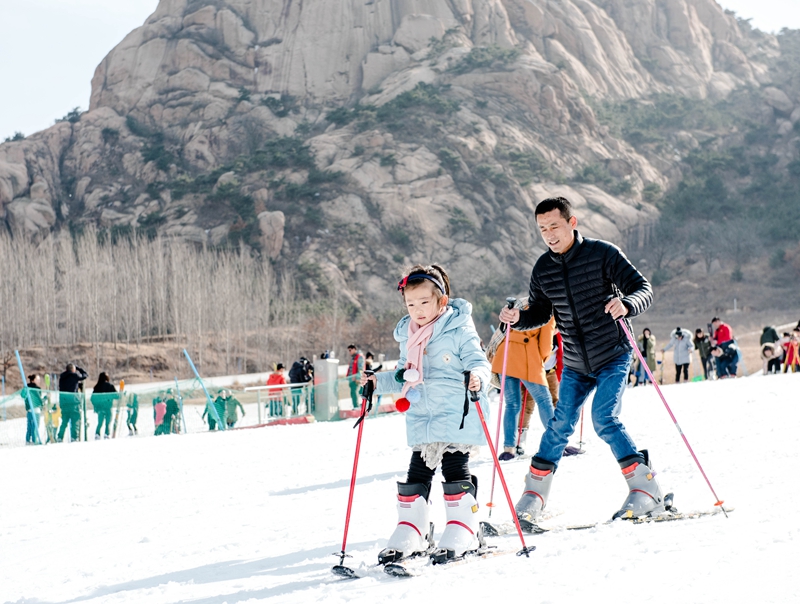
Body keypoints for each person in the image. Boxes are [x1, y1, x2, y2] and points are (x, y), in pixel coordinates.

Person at [499, 197, 665, 525]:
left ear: (572, 222)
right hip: (575, 362)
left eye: (555, 226)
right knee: (559, 425)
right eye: (543, 228)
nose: (549, 234)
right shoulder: (543, 269)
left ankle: (645, 490)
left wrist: (627, 305)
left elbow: (642, 287)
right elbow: (541, 312)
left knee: (604, 417)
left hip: (613, 353)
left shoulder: (603, 253)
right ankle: (533, 495)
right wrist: (519, 317)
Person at [361, 263, 491, 564]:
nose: (417, 310)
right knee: (418, 471)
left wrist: (478, 377)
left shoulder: (459, 328)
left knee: (454, 467)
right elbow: (405, 373)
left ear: (441, 301)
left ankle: (464, 528)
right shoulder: (408, 334)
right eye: (410, 303)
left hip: (457, 410)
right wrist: (376, 383)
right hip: (423, 413)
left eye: (424, 302)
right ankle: (412, 529)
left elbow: (479, 361)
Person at [488, 300, 555, 461]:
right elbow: (546, 344)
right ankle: (556, 442)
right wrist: (542, 360)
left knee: (512, 404)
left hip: (505, 355)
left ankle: (508, 448)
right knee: (544, 400)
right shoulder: (547, 309)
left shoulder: (519, 303)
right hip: (527, 357)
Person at [57, 363, 88, 442]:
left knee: (64, 422)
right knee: (75, 421)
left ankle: (60, 437)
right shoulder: (74, 376)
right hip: (74, 402)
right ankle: (74, 437)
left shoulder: (62, 378)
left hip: (64, 403)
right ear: (73, 370)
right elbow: (85, 375)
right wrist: (79, 369)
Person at [91, 372, 117, 440]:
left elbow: (92, 398)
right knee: (108, 422)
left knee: (100, 422)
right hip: (108, 407)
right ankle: (107, 434)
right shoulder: (110, 386)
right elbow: (116, 396)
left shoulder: (96, 387)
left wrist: (96, 406)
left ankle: (97, 434)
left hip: (100, 408)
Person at [25, 374, 43, 445]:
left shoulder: (26, 388)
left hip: (29, 411)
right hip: (36, 411)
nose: (39, 381)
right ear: (33, 380)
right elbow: (40, 401)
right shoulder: (37, 389)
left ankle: (27, 440)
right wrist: (46, 398)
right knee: (35, 426)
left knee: (29, 426)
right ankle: (34, 440)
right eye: (37, 379)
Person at [346, 344, 364, 410]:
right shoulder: (353, 358)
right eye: (349, 350)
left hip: (356, 379)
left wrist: (358, 378)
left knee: (356, 392)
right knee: (353, 393)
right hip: (351, 379)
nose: (349, 352)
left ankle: (357, 406)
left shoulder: (359, 357)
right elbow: (350, 368)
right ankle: (356, 406)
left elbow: (360, 369)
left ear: (354, 349)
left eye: (350, 350)